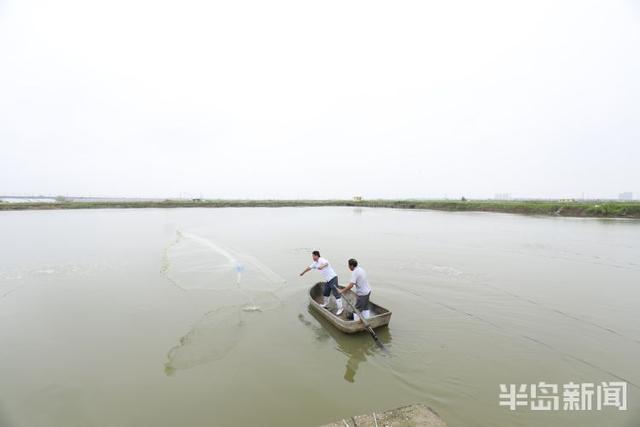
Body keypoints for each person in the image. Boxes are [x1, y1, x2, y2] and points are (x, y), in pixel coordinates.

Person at [300, 250, 343, 315]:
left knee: (336, 293)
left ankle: (340, 308)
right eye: (312, 256)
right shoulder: (315, 263)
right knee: (326, 292)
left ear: (317, 256)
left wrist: (322, 266)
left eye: (313, 256)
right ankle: (325, 304)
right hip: (328, 280)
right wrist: (303, 273)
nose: (312, 257)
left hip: (333, 278)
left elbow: (326, 263)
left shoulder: (321, 260)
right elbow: (309, 268)